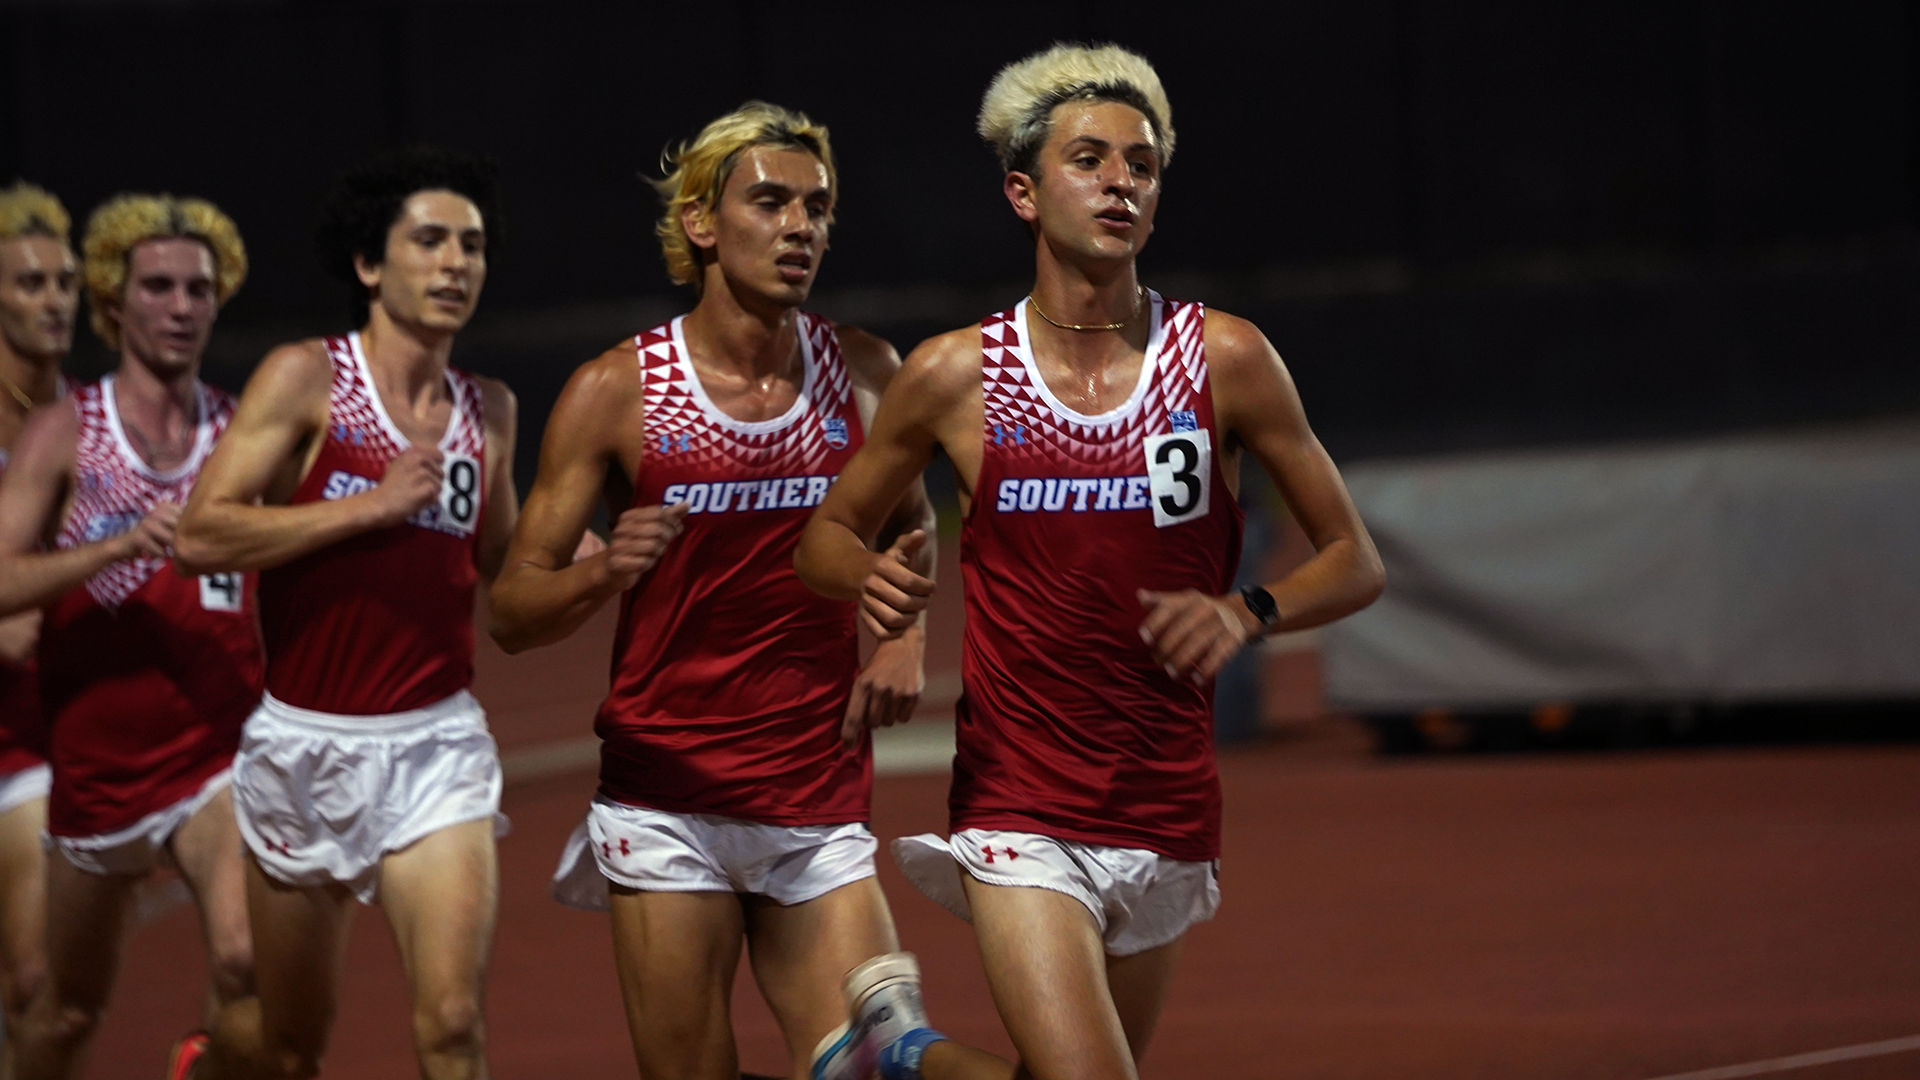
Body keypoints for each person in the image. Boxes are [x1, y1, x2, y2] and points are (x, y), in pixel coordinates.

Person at [794, 43, 1386, 1080]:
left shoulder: (1228, 359)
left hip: (1165, 800)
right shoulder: (955, 375)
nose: (1121, 181)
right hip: (1020, 797)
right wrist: (874, 593)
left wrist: (1249, 609)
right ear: (1023, 191)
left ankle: (898, 1058)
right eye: (1090, 159)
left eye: (1143, 165)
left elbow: (1353, 561)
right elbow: (826, 538)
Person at [488, 101, 937, 1080]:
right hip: (669, 801)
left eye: (816, 208)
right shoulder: (616, 392)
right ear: (701, 222)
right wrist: (606, 568)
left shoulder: (863, 372)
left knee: (885, 1065)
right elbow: (511, 612)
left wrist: (902, 641)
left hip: (813, 792)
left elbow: (913, 519)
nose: (800, 229)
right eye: (769, 202)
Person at [172, 147, 517, 1080]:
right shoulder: (306, 380)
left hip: (436, 747)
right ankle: (209, 1065)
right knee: (285, 1046)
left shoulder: (489, 410)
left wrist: (605, 565)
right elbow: (202, 535)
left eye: (474, 247)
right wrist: (366, 506)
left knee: (450, 1024)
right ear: (370, 264)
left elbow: (505, 572)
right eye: (431, 241)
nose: (456, 264)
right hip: (305, 748)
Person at [0, 193, 260, 1080]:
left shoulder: (239, 430)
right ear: (113, 304)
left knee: (244, 964)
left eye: (198, 289)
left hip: (216, 750)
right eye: (158, 287)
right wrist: (117, 543)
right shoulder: (66, 430)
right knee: (61, 1007)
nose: (182, 307)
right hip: (100, 770)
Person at [0, 181, 79, 1072]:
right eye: (27, 283)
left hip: (37, 743)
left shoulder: (89, 423)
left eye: (62, 282)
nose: (52, 300)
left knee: (32, 981)